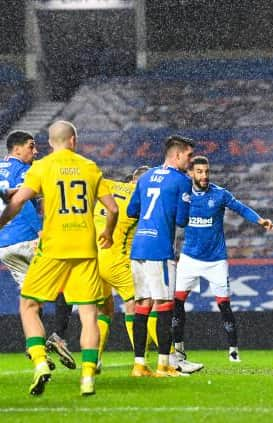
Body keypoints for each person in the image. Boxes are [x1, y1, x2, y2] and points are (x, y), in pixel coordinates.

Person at [0, 120, 118, 396]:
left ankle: (40, 361)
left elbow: (16, 202)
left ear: (52, 143)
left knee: (29, 305)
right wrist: (109, 234)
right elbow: (112, 209)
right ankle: (88, 376)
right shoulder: (89, 167)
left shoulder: (41, 168)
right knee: (89, 314)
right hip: (85, 249)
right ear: (74, 141)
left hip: (52, 248)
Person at [172, 156, 273, 368]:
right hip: (189, 258)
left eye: (206, 171)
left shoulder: (219, 194)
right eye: (199, 172)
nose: (204, 176)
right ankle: (179, 349)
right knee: (177, 303)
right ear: (191, 173)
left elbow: (241, 208)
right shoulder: (183, 196)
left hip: (216, 260)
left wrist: (260, 220)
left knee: (224, 305)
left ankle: (233, 351)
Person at [127, 135, 194, 377]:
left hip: (138, 248)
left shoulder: (145, 177)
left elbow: (131, 210)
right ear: (177, 155)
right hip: (159, 249)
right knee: (165, 305)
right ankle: (165, 365)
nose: (190, 160)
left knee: (142, 305)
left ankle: (139, 365)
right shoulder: (181, 181)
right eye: (188, 155)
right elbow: (182, 220)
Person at [92, 165, 149, 372]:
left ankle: (94, 359)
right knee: (139, 303)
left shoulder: (108, 184)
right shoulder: (143, 197)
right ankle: (142, 360)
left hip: (92, 258)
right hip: (116, 259)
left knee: (104, 309)